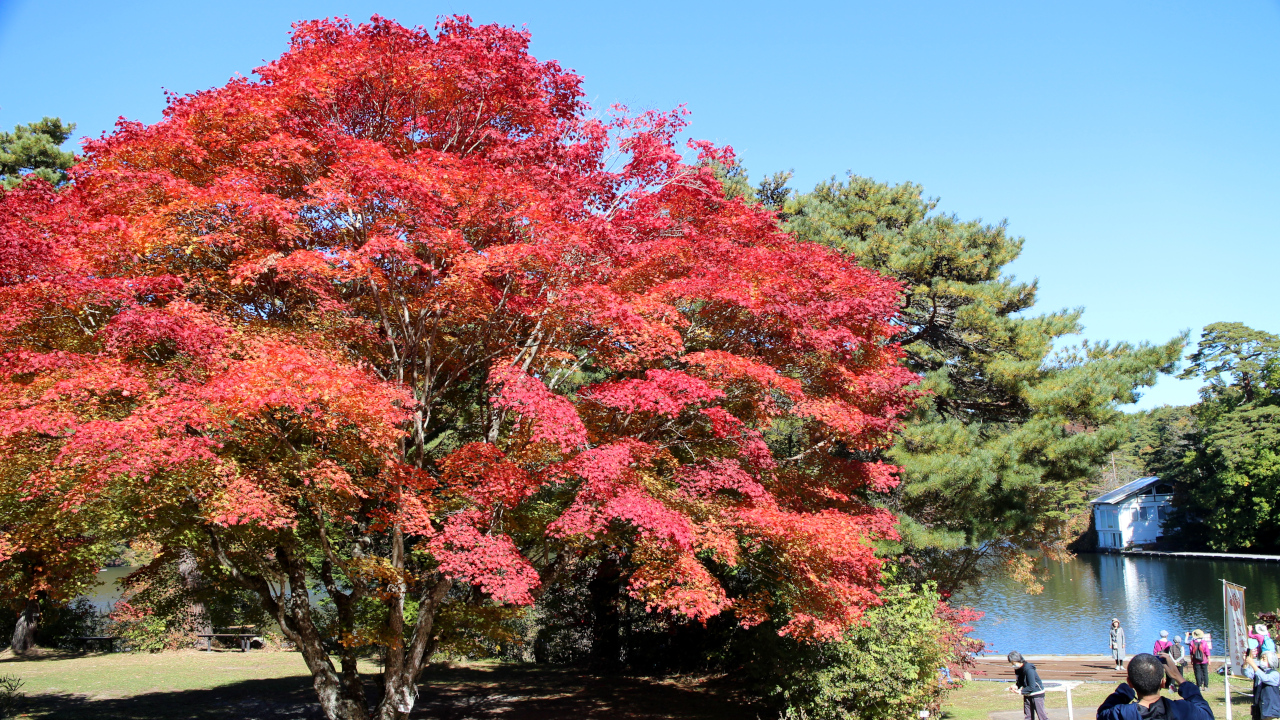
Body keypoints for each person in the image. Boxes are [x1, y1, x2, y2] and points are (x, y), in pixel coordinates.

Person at [1096, 652, 1213, 719]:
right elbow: (1206, 714)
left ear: (1130, 682)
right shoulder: (1182, 709)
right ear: (1162, 683)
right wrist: (1178, 677)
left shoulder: (1121, 714)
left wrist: (1124, 692)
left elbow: (1101, 714)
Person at [1007, 651, 1049, 720]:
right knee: (1028, 717)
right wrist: (1016, 686)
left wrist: (1020, 692)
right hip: (1027, 694)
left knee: (1042, 717)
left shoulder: (1029, 669)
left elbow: (1032, 686)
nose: (1013, 665)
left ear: (1019, 660)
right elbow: (1020, 681)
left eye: (1014, 663)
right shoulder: (1018, 669)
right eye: (1011, 663)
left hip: (1037, 694)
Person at [1244, 651, 1280, 720]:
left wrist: (1252, 664)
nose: (1261, 660)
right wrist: (1245, 663)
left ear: (1271, 660)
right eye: (1261, 658)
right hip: (1259, 708)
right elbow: (1247, 673)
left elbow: (1265, 678)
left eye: (1264, 658)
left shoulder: (1275, 674)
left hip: (1271, 709)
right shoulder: (1259, 671)